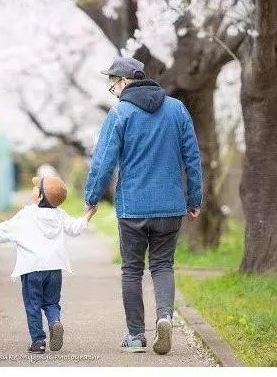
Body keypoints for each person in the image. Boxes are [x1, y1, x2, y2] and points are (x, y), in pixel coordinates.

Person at [82, 56, 203, 355]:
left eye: (113, 84)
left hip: (132, 207)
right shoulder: (176, 109)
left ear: (124, 82)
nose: (113, 90)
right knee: (163, 265)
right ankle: (164, 317)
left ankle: (136, 336)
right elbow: (192, 158)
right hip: (170, 205)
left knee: (132, 270)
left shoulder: (120, 113)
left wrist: (92, 198)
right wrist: (194, 198)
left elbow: (103, 161)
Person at [0, 174, 95, 354]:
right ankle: (55, 322)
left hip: (32, 269)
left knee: (33, 305)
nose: (34, 188)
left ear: (39, 196)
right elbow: (75, 228)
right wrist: (90, 213)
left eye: (37, 187)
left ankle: (38, 341)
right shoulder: (60, 214)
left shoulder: (27, 214)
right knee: (52, 302)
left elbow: (3, 233)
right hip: (54, 268)